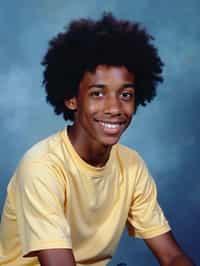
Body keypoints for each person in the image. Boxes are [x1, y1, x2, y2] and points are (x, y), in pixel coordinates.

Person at [0, 13, 194, 266]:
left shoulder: (131, 165)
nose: (114, 107)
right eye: (97, 93)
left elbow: (172, 256)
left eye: (125, 94)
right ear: (72, 99)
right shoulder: (42, 167)